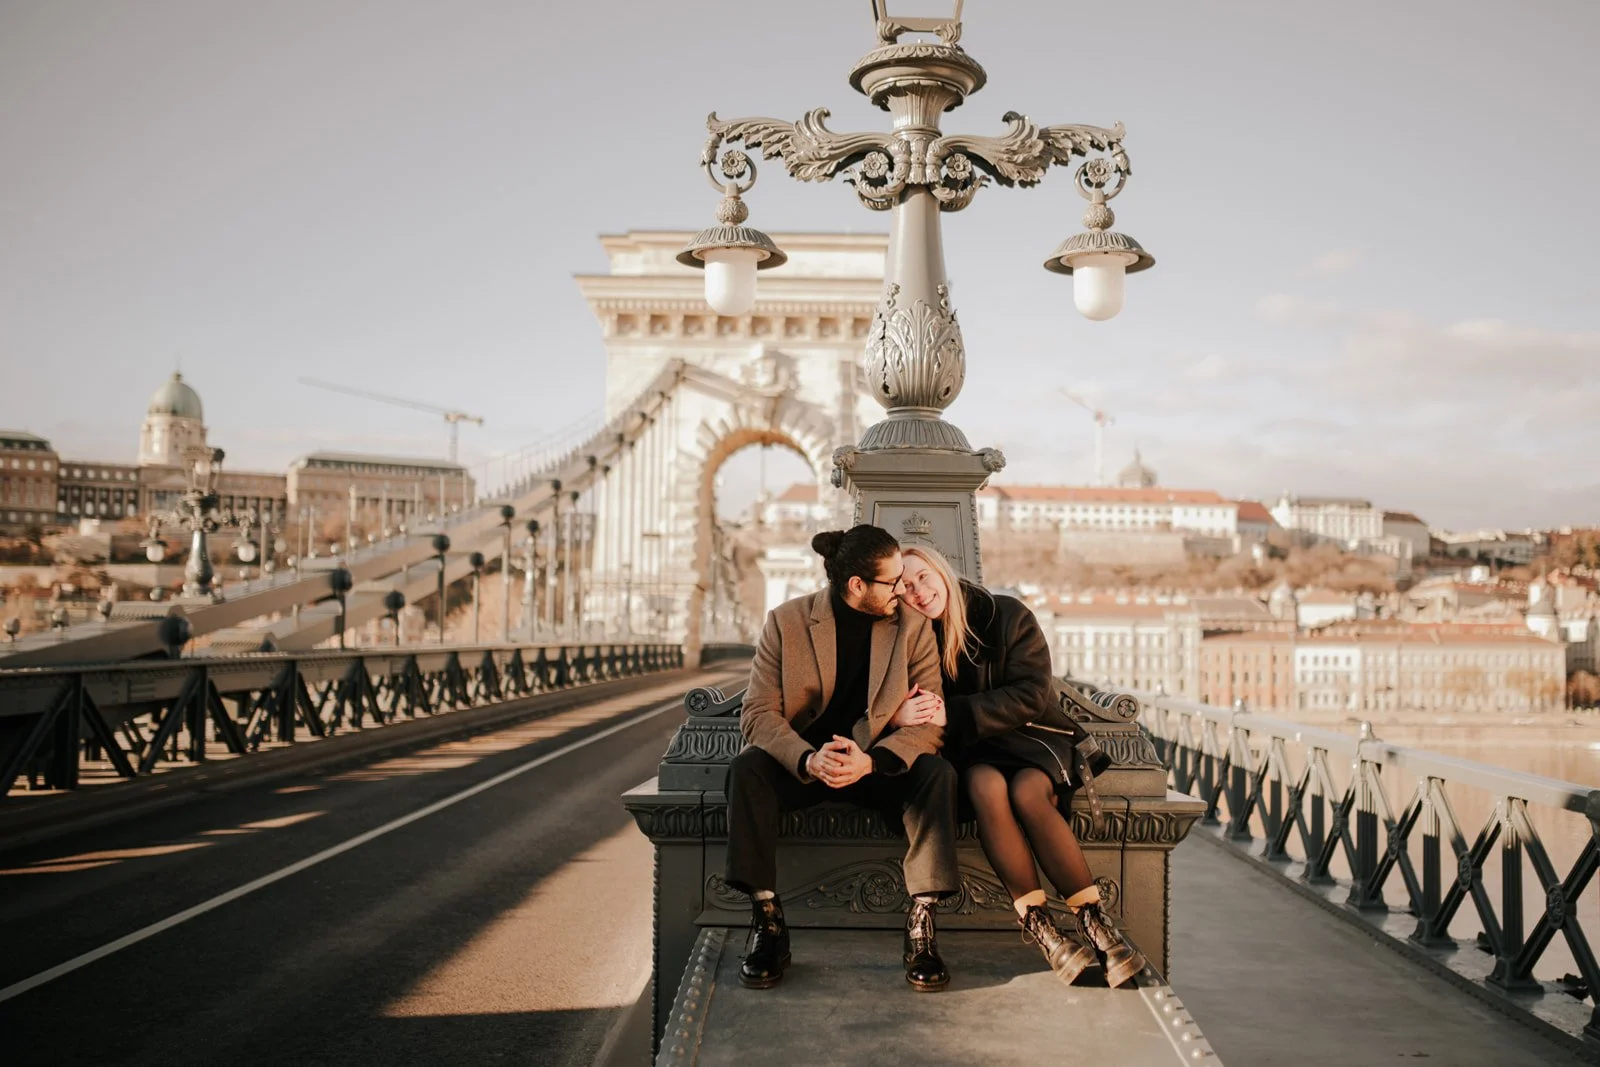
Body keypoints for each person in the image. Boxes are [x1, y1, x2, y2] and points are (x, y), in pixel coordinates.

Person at [895, 543, 1146, 988]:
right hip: (973, 755)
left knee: (1027, 793)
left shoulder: (1005, 614)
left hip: (1033, 741)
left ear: (942, 570)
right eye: (906, 586)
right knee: (986, 786)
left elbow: (1033, 693)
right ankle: (1044, 931)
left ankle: (1095, 925)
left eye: (924, 577)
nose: (919, 591)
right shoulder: (912, 640)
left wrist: (954, 713)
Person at [725, 524, 960, 992]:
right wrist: (809, 759)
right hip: (807, 764)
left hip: (875, 764)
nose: (904, 590)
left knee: (937, 774)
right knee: (746, 769)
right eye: (892, 582)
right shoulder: (786, 621)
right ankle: (768, 920)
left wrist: (871, 761)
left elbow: (931, 720)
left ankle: (922, 923)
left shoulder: (912, 627)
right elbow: (757, 713)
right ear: (857, 586)